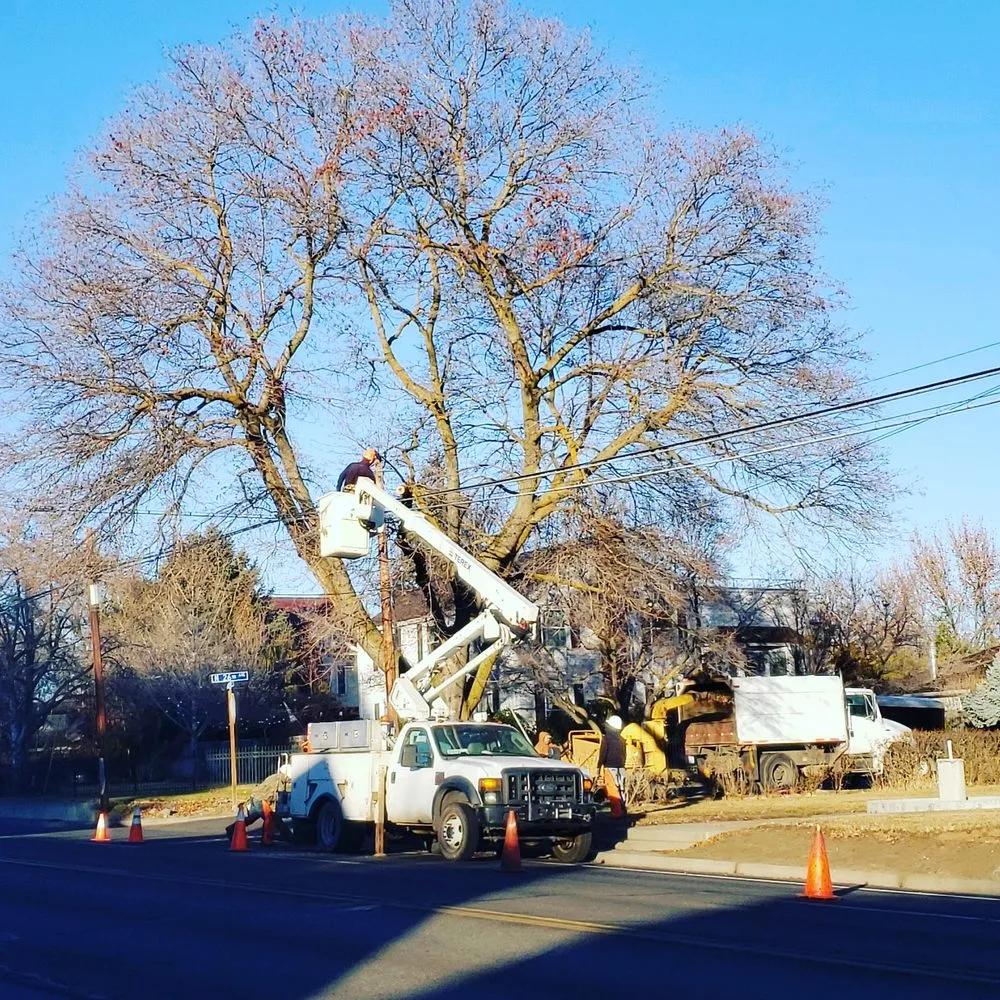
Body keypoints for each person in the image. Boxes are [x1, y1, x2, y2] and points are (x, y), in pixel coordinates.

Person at [597, 714, 627, 804]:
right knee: (621, 790)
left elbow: (603, 754)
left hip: (610, 768)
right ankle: (622, 808)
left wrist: (598, 767)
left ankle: (616, 811)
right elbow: (624, 754)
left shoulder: (606, 739)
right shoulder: (622, 739)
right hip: (621, 768)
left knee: (612, 791)